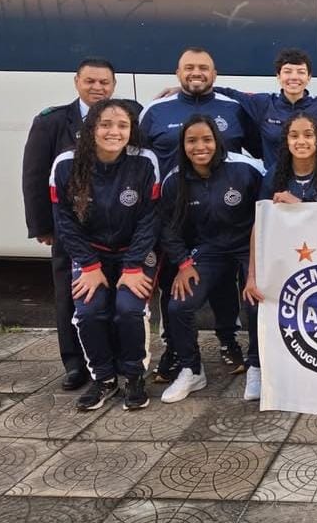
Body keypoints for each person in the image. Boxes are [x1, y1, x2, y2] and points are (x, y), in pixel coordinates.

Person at [140, 47, 260, 378]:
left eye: (203, 67)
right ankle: (176, 351)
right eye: (189, 67)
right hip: (179, 216)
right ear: (177, 72)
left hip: (229, 215)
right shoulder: (156, 109)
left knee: (230, 288)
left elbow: (259, 148)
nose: (196, 73)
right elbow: (139, 159)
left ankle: (229, 341)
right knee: (176, 287)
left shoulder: (233, 107)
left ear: (215, 73)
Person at [49, 99, 161, 411]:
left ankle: (134, 376)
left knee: (129, 309)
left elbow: (150, 218)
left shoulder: (145, 161)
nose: (114, 132)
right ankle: (104, 378)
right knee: (89, 312)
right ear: (91, 129)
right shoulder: (66, 164)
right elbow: (64, 221)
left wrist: (133, 266)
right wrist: (88, 265)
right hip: (91, 256)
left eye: (122, 125)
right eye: (106, 125)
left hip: (136, 253)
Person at [21, 57, 118, 392]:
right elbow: (34, 176)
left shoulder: (125, 117)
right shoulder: (52, 122)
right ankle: (75, 364)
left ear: (113, 86)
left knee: (111, 296)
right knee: (70, 294)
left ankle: (111, 359)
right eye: (90, 81)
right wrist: (41, 226)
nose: (97, 87)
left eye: (104, 82)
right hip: (70, 228)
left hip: (113, 226)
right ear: (77, 82)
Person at [243, 113, 317, 401]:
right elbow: (260, 224)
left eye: (308, 135)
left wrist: (301, 205)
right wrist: (252, 275)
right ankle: (256, 365)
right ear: (286, 140)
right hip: (284, 257)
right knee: (257, 302)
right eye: (294, 135)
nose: (301, 141)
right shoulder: (274, 173)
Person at [159, 115, 265, 403]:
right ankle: (192, 370)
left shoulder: (245, 168)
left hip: (250, 246)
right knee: (179, 305)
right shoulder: (175, 179)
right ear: (183, 145)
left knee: (256, 303)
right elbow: (168, 227)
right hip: (209, 250)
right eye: (191, 141)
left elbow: (267, 210)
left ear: (217, 140)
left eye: (206, 139)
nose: (200, 147)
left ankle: (257, 365)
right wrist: (183, 263)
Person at [218, 47, 317, 169]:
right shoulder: (264, 103)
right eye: (287, 71)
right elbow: (229, 93)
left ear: (309, 77)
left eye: (301, 72)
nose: (294, 77)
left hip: (313, 178)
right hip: (273, 178)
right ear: (278, 76)